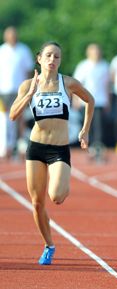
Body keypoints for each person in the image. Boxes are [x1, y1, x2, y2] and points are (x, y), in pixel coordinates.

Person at [8, 41, 94, 265]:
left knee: (56, 196)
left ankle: (63, 179)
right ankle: (49, 245)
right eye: (48, 56)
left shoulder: (68, 83)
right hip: (36, 147)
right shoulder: (27, 85)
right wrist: (29, 95)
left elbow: (90, 100)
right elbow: (13, 115)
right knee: (37, 203)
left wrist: (85, 130)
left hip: (59, 149)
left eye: (57, 57)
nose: (52, 60)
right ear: (39, 59)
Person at [0, 26, 34, 160]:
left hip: (20, 89)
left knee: (20, 117)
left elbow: (28, 70)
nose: (12, 37)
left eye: (14, 34)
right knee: (5, 118)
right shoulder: (2, 51)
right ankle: (6, 145)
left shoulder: (23, 50)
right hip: (3, 90)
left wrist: (28, 88)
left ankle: (20, 144)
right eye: (9, 35)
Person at [73, 43, 110, 162]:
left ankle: (97, 149)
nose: (96, 54)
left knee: (98, 127)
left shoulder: (104, 66)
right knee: (87, 127)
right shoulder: (83, 66)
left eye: (98, 51)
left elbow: (107, 85)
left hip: (99, 101)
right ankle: (89, 149)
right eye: (94, 51)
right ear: (89, 53)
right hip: (85, 102)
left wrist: (108, 100)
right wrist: (75, 99)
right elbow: (77, 84)